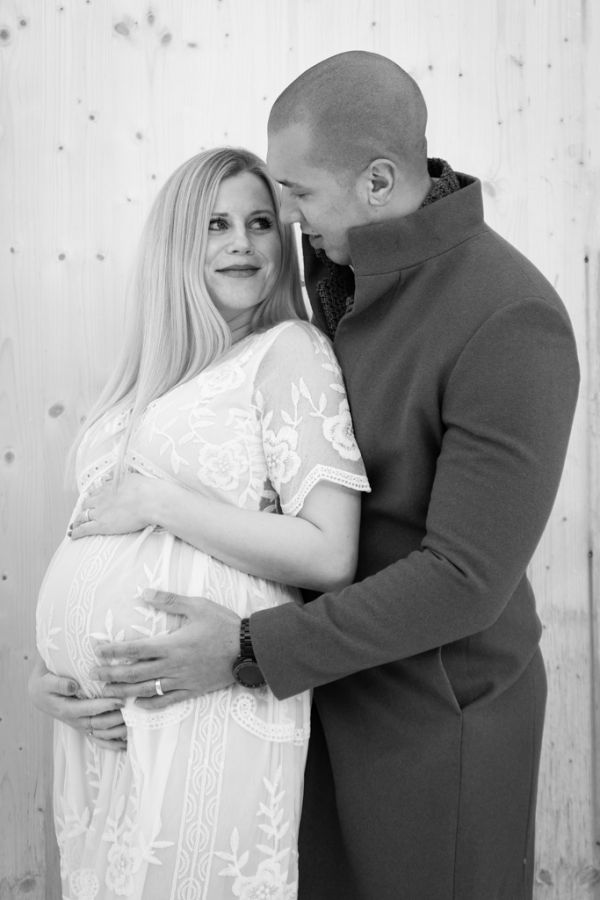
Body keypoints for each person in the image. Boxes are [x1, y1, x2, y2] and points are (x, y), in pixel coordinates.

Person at [31, 51, 580, 899]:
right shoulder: (335, 267)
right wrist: (70, 667)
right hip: (307, 696)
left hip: (427, 717)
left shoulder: (510, 317)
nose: (281, 219)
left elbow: (465, 580)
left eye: (295, 194)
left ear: (378, 181)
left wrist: (250, 649)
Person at [32, 145, 370, 899]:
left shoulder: (289, 351)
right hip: (101, 726)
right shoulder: (141, 385)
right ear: (177, 242)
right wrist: (47, 678)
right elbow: (92, 533)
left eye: (260, 223)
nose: (242, 243)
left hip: (207, 700)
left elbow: (330, 552)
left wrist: (161, 501)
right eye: (216, 224)